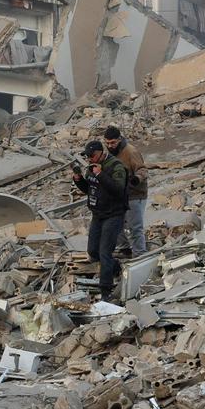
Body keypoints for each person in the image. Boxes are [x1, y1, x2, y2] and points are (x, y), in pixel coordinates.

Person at [69, 139, 130, 303]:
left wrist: (100, 174)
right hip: (98, 214)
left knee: (105, 253)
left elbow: (118, 189)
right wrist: (78, 179)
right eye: (87, 156)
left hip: (114, 214)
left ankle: (106, 292)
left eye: (92, 156)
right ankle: (116, 267)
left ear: (100, 153)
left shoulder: (115, 166)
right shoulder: (92, 168)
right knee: (93, 251)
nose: (89, 159)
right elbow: (90, 190)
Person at [102, 125, 148, 256]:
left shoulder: (131, 152)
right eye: (107, 143)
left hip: (135, 194)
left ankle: (140, 254)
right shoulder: (108, 154)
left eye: (113, 143)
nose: (110, 146)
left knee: (135, 227)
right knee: (116, 224)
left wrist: (136, 178)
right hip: (118, 195)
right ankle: (124, 249)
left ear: (119, 139)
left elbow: (143, 170)